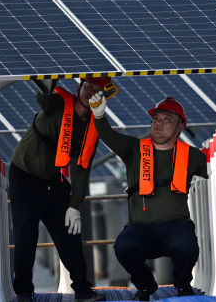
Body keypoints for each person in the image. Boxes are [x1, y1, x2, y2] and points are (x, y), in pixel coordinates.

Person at [88, 93, 208, 300]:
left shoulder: (193, 156)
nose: (158, 123)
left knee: (187, 247)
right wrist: (99, 115)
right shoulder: (134, 149)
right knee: (124, 246)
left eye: (166, 119)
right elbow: (107, 135)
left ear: (180, 127)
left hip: (176, 227)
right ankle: (146, 285)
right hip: (141, 229)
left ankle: (182, 285)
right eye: (156, 119)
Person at [9, 77, 113, 302]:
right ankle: (24, 292)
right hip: (24, 176)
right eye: (88, 87)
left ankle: (82, 290)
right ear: (79, 87)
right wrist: (48, 84)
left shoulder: (94, 126)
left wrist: (74, 205)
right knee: (26, 235)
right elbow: (43, 97)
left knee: (70, 236)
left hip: (52, 181)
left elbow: (83, 168)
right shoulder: (57, 103)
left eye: (98, 90)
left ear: (104, 96)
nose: (91, 93)